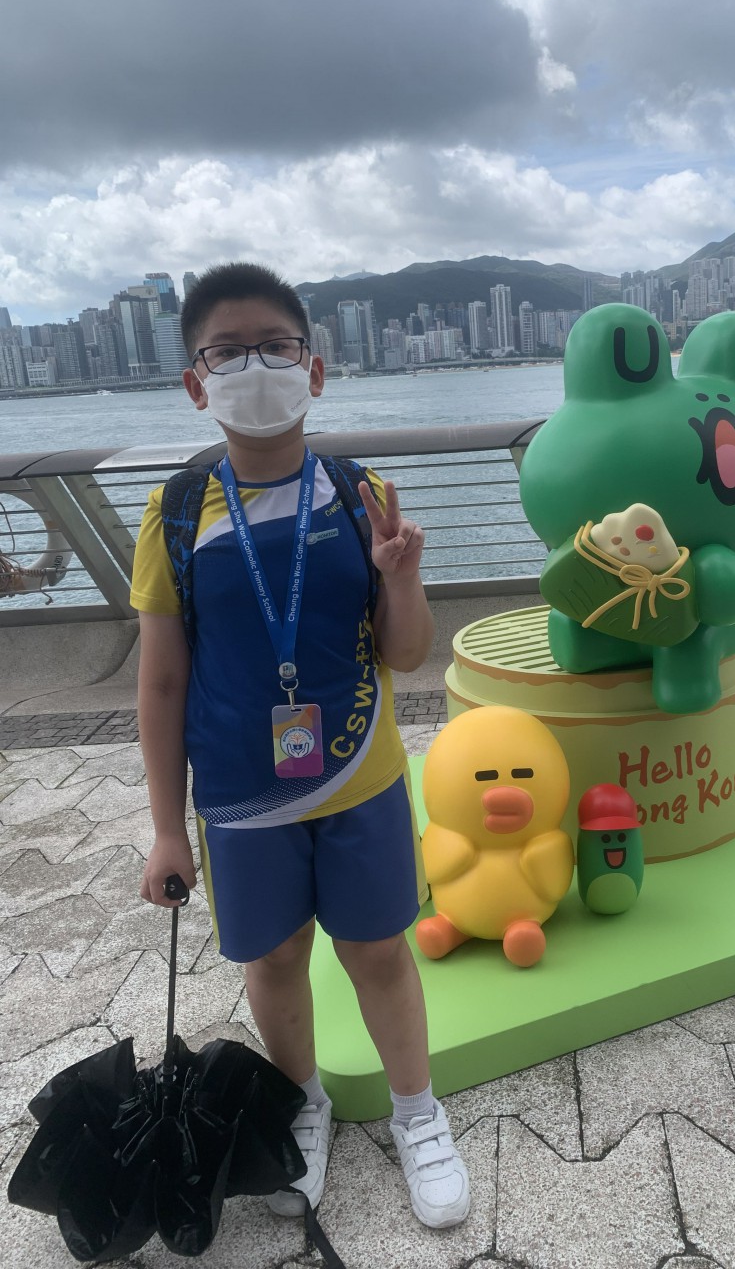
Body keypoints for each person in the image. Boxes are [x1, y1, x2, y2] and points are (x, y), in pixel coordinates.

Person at [131, 261, 470, 1230]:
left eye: (275, 346)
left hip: (361, 777)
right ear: (196, 383)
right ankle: (302, 1106)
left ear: (314, 369)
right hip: (240, 794)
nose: (256, 367)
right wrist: (167, 830)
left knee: (378, 950)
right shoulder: (176, 509)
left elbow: (407, 652)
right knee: (274, 959)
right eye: (227, 352)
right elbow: (161, 682)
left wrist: (400, 576)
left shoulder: (359, 493)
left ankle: (419, 1112)